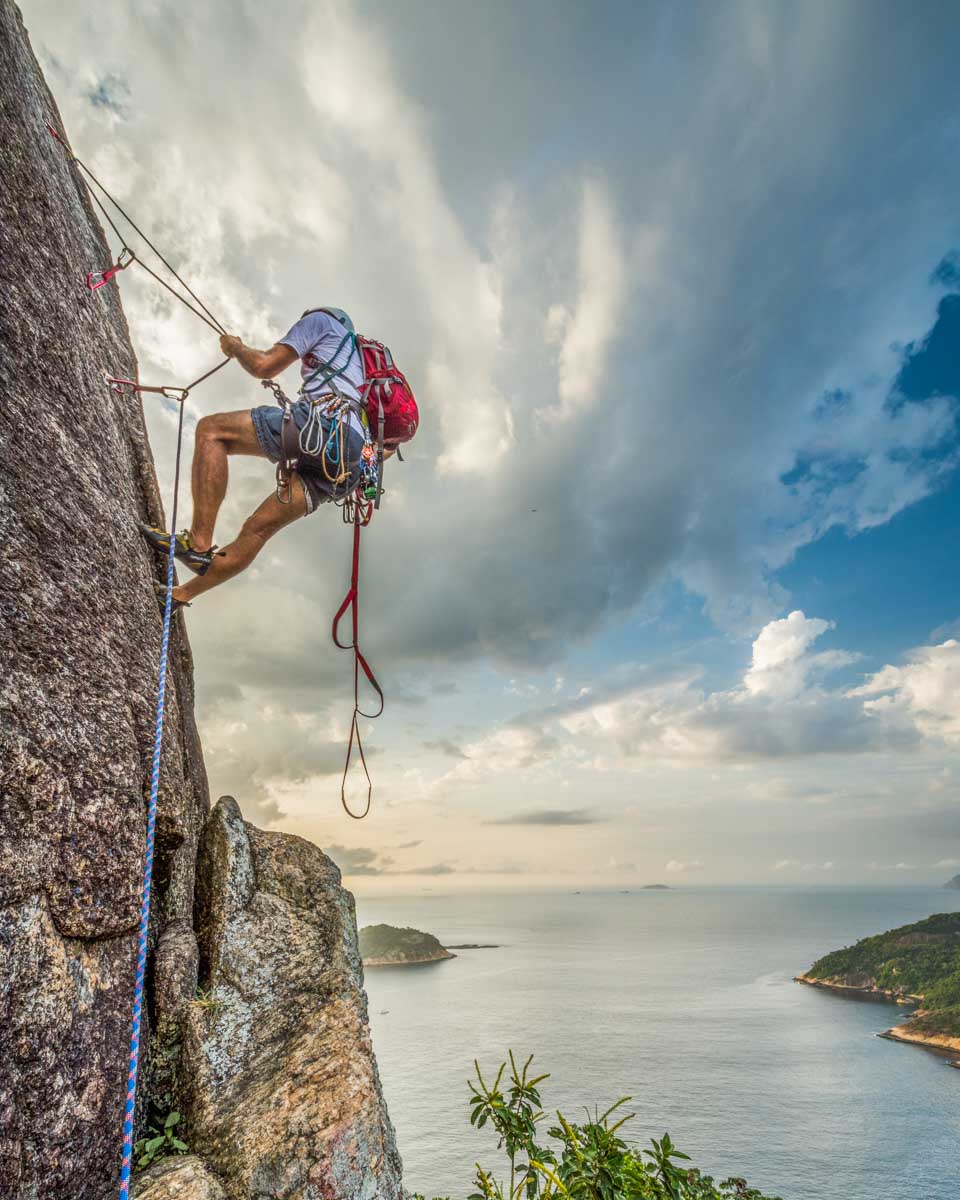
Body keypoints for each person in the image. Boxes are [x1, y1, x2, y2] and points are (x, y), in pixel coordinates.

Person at [140, 307, 387, 608]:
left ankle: (197, 541)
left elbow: (264, 366)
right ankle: (180, 595)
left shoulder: (320, 322)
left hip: (324, 427)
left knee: (211, 431)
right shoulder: (364, 364)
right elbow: (384, 446)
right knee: (258, 529)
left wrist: (237, 348)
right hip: (352, 462)